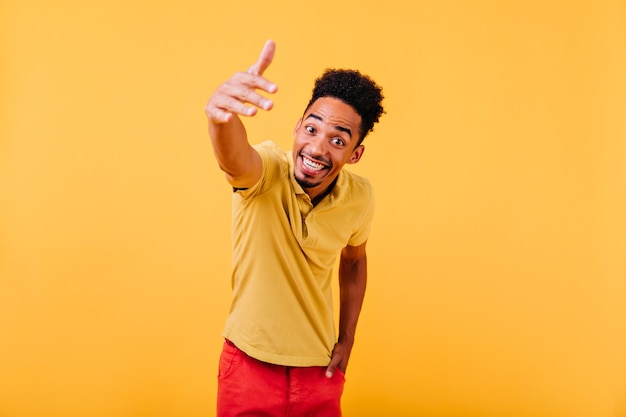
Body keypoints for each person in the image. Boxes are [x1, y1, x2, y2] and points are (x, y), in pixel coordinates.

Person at [205, 39, 385, 417]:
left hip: (319, 370)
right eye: (312, 128)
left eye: (338, 139)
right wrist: (220, 116)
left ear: (355, 154)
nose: (318, 148)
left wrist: (347, 340)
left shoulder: (359, 197)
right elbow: (236, 161)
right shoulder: (267, 171)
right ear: (297, 126)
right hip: (249, 366)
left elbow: (354, 262)